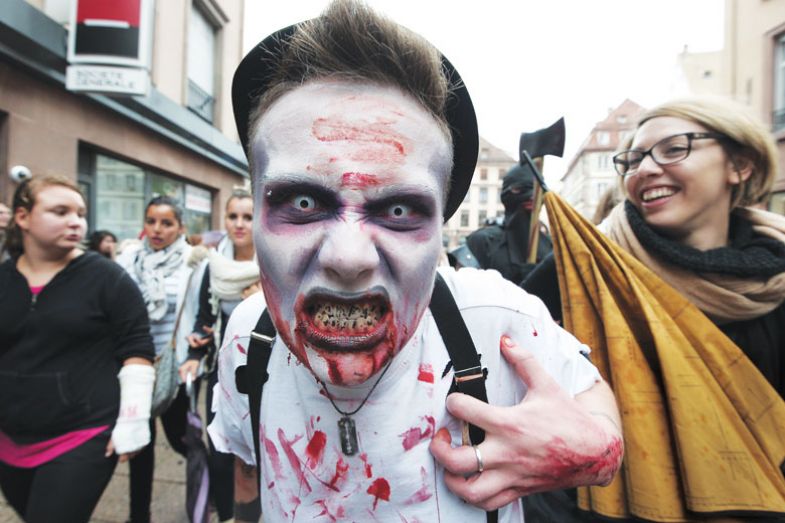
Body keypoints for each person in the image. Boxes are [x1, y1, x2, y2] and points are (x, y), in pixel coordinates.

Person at [207, 2, 623, 521]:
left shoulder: (497, 321)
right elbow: (247, 468)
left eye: (399, 209)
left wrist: (595, 448)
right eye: (304, 204)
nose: (349, 258)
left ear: (439, 229)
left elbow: (596, 408)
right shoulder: (250, 337)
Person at [523, 96, 785, 521]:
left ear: (740, 166)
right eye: (634, 158)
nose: (645, 168)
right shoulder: (583, 271)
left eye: (673, 148)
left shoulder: (775, 278)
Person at [0, 176, 155, 523]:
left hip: (82, 434)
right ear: (23, 217)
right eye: (60, 211)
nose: (76, 221)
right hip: (9, 439)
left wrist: (133, 420)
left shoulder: (108, 279)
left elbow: (137, 348)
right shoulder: (4, 278)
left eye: (80, 213)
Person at [117, 195, 206, 523]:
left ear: (180, 228)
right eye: (151, 221)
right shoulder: (127, 259)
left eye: (166, 223)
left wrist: (197, 351)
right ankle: (138, 515)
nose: (157, 229)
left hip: (173, 363)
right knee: (140, 444)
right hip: (134, 365)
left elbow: (199, 309)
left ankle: (207, 486)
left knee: (181, 439)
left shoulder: (193, 261)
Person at [180, 189, 261, 523]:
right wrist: (194, 350)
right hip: (223, 370)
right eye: (233, 216)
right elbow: (203, 315)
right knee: (221, 450)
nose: (239, 224)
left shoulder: (275, 261)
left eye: (248, 216)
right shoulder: (213, 265)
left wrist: (261, 303)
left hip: (264, 369)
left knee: (257, 452)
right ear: (223, 219)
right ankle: (228, 514)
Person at [465, 163, 553, 284]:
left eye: (537, 191)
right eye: (521, 189)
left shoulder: (551, 247)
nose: (532, 197)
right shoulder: (483, 242)